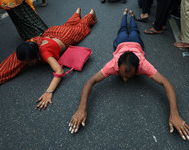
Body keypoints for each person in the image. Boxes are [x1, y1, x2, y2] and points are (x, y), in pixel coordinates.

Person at [69, 9, 189, 141]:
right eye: (121, 74)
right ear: (117, 67)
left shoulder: (143, 64)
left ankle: (131, 16)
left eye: (130, 76)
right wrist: (81, 109)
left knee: (133, 29)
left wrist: (175, 114)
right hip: (120, 43)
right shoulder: (113, 64)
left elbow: (166, 83)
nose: (125, 79)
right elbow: (90, 81)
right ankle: (125, 14)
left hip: (135, 42)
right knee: (122, 28)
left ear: (138, 68)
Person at [0, 8, 97, 110]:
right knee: (67, 25)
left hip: (66, 36)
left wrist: (48, 92)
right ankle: (77, 13)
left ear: (36, 56)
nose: (27, 65)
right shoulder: (30, 45)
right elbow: (12, 60)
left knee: (81, 29)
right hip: (53, 31)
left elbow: (59, 71)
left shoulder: (45, 53)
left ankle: (90, 14)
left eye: (29, 63)